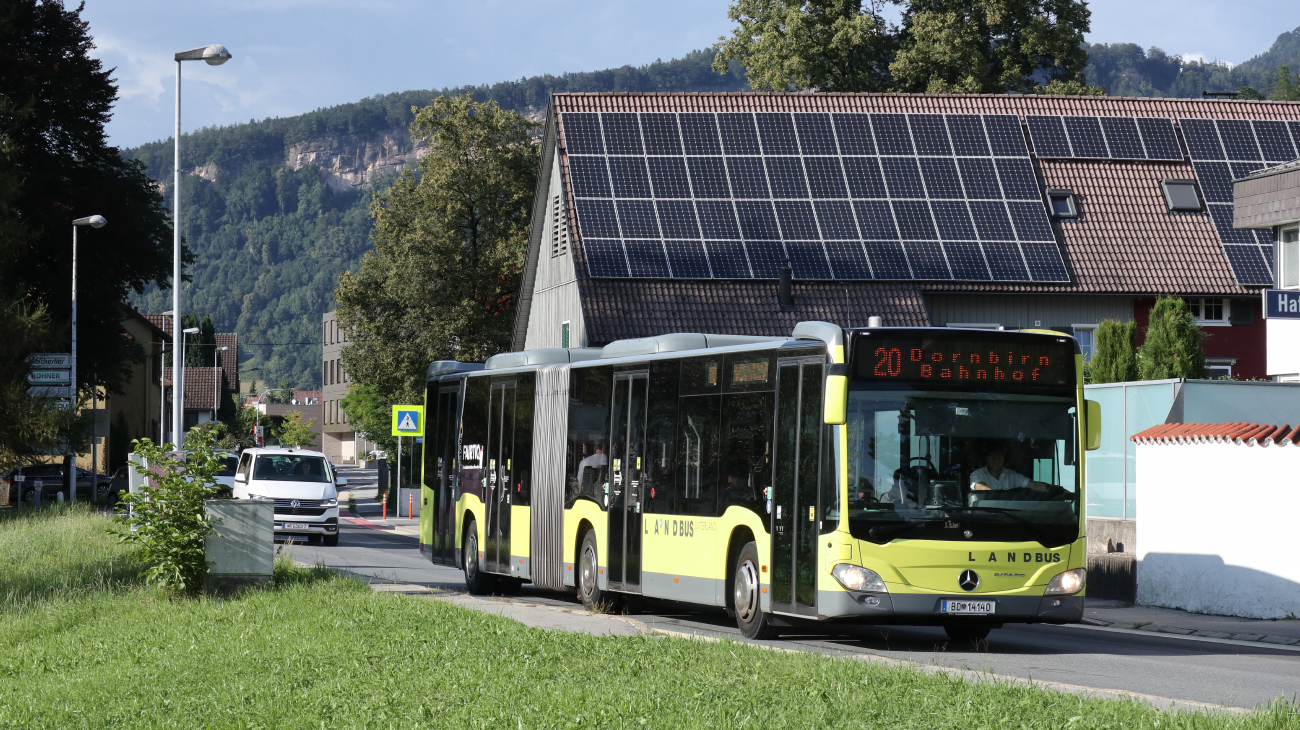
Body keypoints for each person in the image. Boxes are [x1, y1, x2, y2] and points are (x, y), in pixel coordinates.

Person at [970, 444, 1048, 492]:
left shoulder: (1011, 475)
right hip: (984, 513)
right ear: (986, 459)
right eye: (993, 458)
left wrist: (1050, 488)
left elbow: (1031, 484)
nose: (996, 461)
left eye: (999, 458)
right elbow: (980, 487)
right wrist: (1001, 494)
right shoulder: (977, 474)